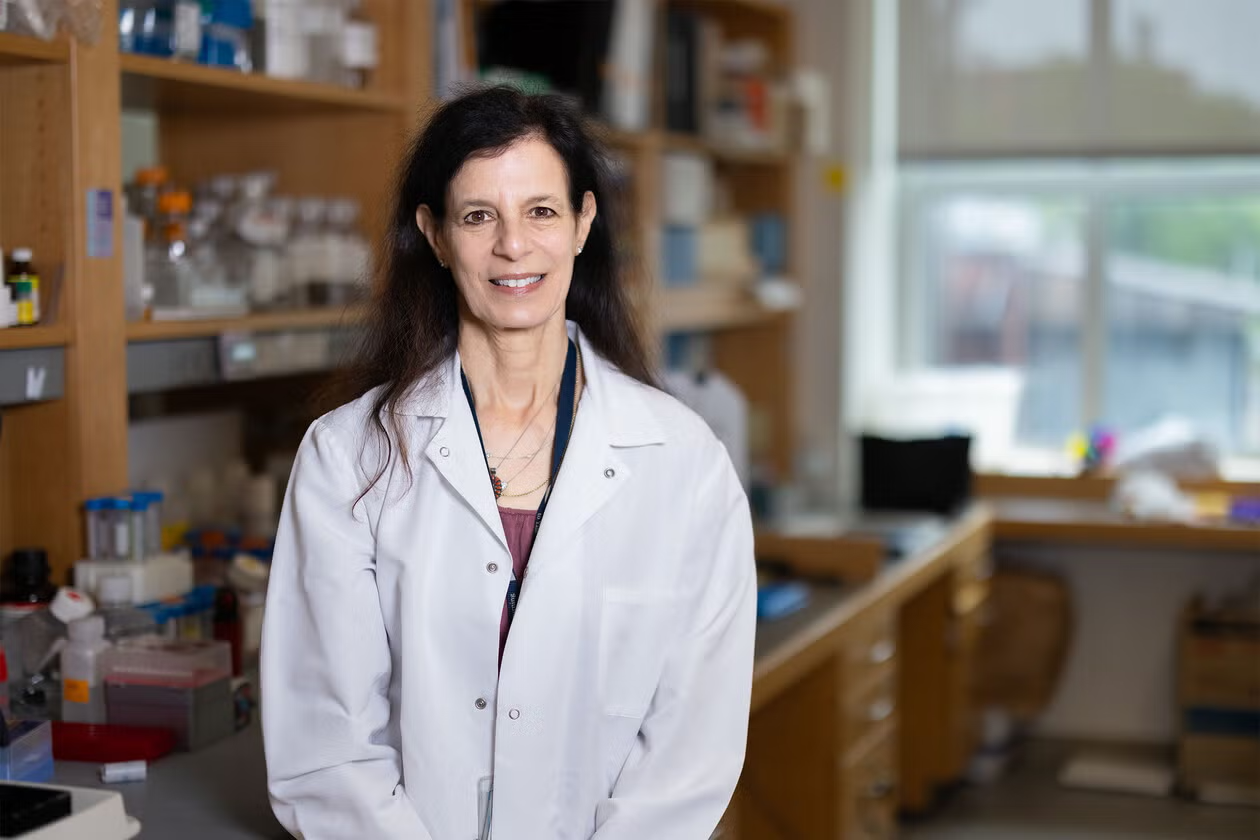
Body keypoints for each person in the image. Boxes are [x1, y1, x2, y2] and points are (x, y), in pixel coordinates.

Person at [261, 86, 756, 840]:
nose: (513, 246)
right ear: (433, 234)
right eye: (478, 216)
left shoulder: (684, 464)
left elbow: (692, 750)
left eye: (541, 211)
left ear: (584, 222)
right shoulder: (347, 456)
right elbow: (324, 746)